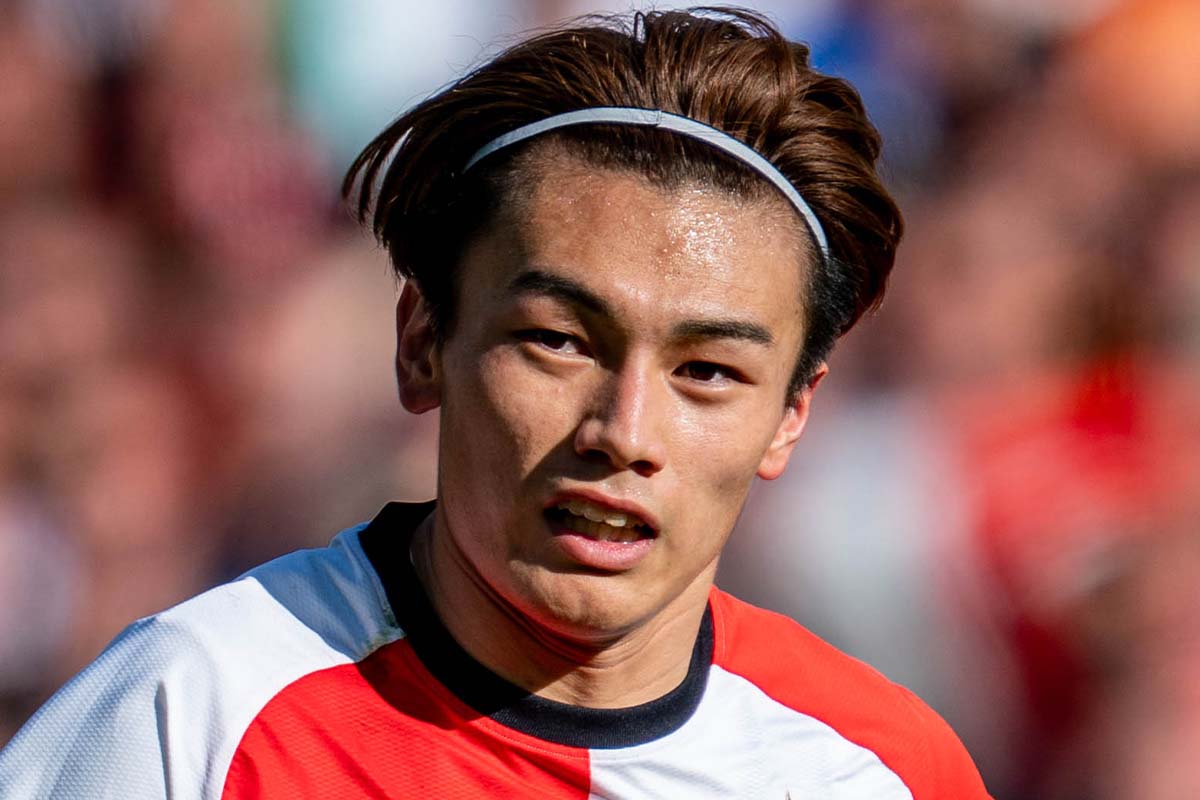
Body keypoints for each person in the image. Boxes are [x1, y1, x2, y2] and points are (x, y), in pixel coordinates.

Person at [0, 8, 991, 798]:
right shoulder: (186, 717)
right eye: (559, 340)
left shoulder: (883, 768)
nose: (624, 431)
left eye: (707, 371)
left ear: (791, 417)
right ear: (422, 342)